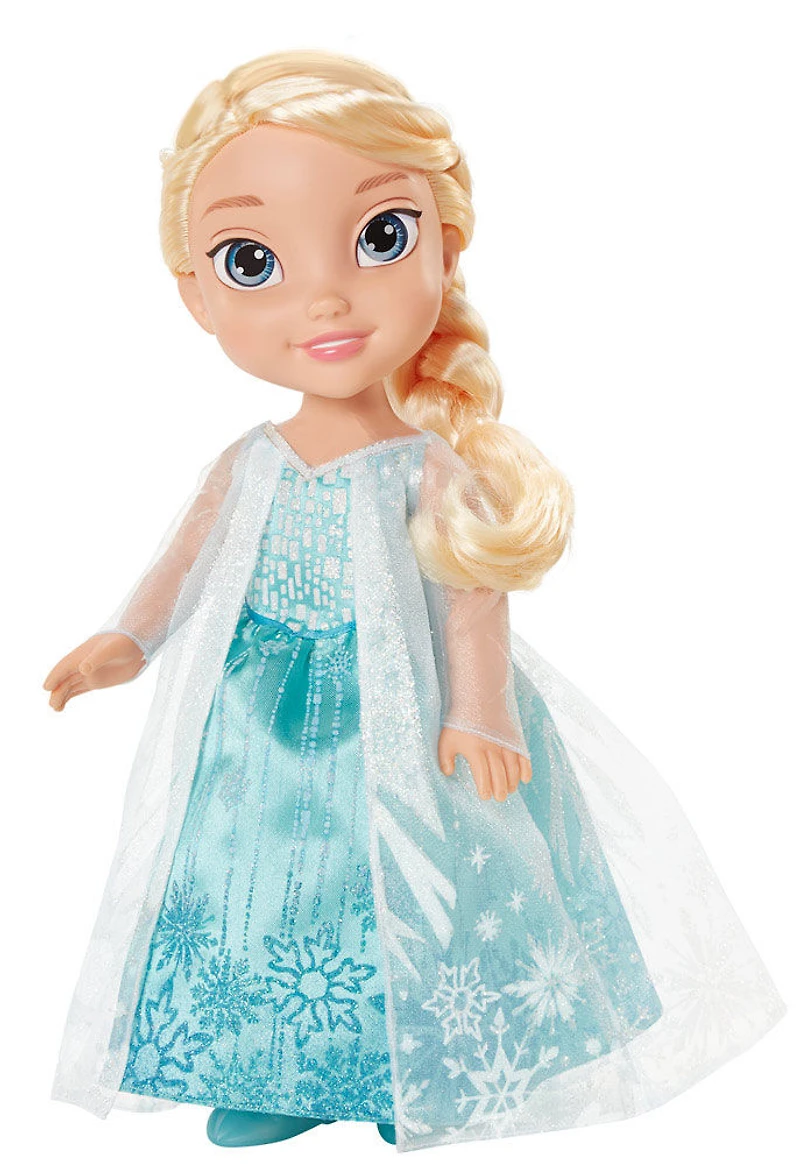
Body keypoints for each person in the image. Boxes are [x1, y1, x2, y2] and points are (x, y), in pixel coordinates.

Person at [46, 50, 786, 1152]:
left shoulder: (428, 466)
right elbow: (183, 564)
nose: (325, 297)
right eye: (253, 261)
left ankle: (428, 1066)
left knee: (422, 884)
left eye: (379, 237)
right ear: (198, 293)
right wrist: (126, 638)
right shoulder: (249, 459)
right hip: (256, 736)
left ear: (446, 244)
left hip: (415, 715)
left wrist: (478, 708)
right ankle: (283, 1064)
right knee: (267, 891)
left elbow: (468, 595)